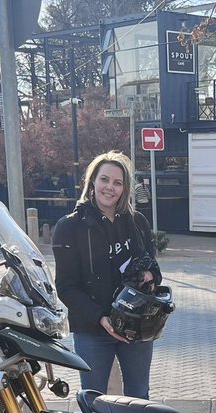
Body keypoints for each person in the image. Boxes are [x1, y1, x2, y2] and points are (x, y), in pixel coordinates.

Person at [52, 150, 162, 399]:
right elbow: (66, 286)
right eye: (104, 179)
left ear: (124, 188)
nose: (110, 187)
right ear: (92, 181)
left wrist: (150, 275)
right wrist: (100, 317)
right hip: (92, 329)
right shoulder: (69, 227)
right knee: (93, 400)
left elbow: (154, 267)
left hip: (136, 326)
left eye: (117, 182)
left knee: (139, 398)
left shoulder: (137, 222)